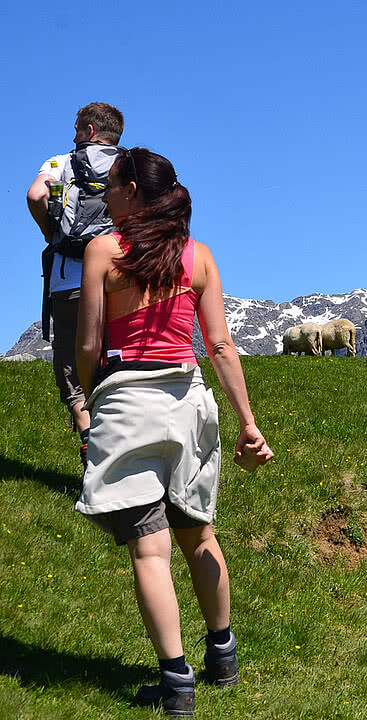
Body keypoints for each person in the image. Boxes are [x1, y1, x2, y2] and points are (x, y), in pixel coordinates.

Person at [75, 147, 274, 716]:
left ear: (133, 191)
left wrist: (90, 403)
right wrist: (248, 422)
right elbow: (219, 347)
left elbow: (89, 345)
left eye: (111, 186)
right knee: (199, 535)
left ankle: (175, 683)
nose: (105, 195)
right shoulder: (199, 257)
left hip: (127, 404)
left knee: (150, 549)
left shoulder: (104, 252)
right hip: (189, 403)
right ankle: (223, 655)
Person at [27, 102, 124, 465]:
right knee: (116, 354)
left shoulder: (60, 163)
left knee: (69, 360)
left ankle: (88, 435)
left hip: (69, 278)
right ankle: (121, 435)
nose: (73, 135)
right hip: (118, 276)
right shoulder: (129, 164)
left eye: (76, 128)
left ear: (89, 130)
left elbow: (37, 195)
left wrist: (51, 233)